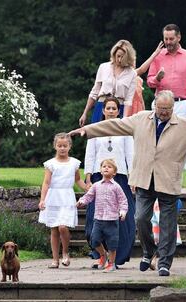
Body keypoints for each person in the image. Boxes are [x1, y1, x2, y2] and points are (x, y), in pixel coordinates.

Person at [69, 90, 186, 276]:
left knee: (168, 225)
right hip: (144, 178)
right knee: (140, 218)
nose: (164, 112)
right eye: (161, 108)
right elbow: (116, 125)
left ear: (173, 108)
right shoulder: (140, 119)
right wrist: (89, 130)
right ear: (154, 105)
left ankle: (164, 262)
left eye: (168, 109)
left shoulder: (184, 125)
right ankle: (149, 251)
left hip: (168, 180)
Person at [84, 96, 135, 267]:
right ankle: (100, 255)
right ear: (103, 111)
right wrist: (88, 175)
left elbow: (130, 155)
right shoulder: (94, 129)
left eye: (114, 108)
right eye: (108, 108)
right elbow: (90, 154)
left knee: (122, 218)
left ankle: (116, 257)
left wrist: (133, 176)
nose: (111, 111)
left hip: (120, 177)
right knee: (95, 216)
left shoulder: (125, 130)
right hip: (99, 177)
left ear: (118, 111)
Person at [38, 132, 88, 268]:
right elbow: (46, 183)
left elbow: (77, 179)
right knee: (54, 229)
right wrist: (43, 200)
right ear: (55, 146)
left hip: (67, 197)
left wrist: (87, 189)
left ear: (69, 146)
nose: (62, 148)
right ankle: (55, 259)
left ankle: (65, 252)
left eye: (64, 146)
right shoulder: (50, 164)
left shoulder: (74, 163)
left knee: (63, 227)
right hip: (53, 197)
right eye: (59, 145)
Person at [77, 159, 129, 273]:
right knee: (94, 240)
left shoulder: (116, 187)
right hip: (98, 219)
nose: (106, 168)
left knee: (112, 244)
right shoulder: (96, 186)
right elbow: (88, 196)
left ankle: (111, 264)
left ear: (114, 172)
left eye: (109, 167)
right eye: (104, 166)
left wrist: (123, 212)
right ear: (100, 170)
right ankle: (102, 255)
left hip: (112, 220)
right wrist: (81, 202)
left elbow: (123, 201)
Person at [147, 24, 186, 124]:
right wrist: (157, 78)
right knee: (158, 137)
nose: (168, 42)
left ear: (179, 37)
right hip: (160, 104)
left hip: (181, 104)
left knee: (180, 138)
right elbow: (150, 82)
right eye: (166, 39)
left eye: (171, 39)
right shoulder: (158, 55)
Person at [79, 40, 137, 126]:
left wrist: (124, 120)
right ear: (114, 54)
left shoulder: (132, 73)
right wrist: (84, 113)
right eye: (118, 56)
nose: (119, 60)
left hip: (118, 108)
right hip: (101, 105)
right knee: (96, 136)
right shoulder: (103, 67)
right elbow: (94, 92)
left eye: (123, 57)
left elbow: (128, 100)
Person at [129, 41, 164, 116]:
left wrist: (143, 111)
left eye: (134, 61)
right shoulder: (126, 76)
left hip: (138, 108)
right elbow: (142, 69)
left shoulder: (138, 79)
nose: (133, 63)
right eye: (131, 61)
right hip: (128, 107)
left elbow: (140, 98)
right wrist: (155, 53)